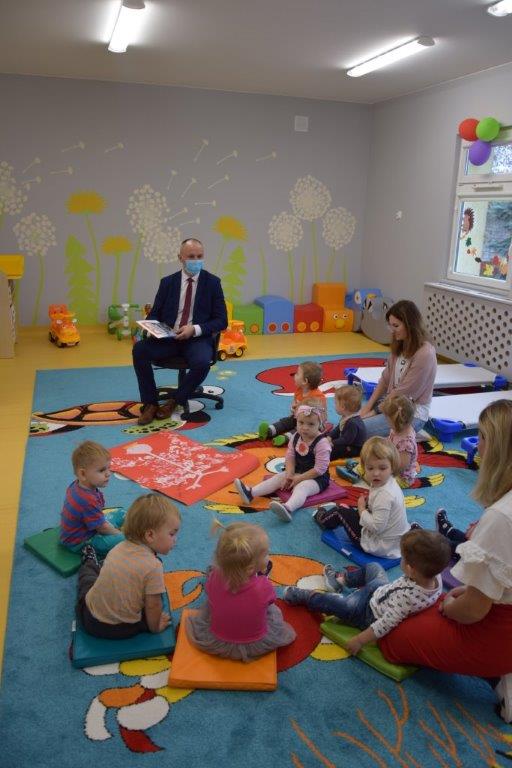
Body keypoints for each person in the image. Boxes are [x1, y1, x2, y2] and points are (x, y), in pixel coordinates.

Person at [379, 399, 512, 724]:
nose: (478, 446)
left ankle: (500, 670)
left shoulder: (501, 517)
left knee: (392, 638)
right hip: (498, 611)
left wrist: (451, 607)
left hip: (499, 631)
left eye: (482, 437)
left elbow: (473, 611)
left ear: (497, 448)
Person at [283, 529, 451, 655]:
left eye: (403, 558)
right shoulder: (435, 577)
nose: (401, 559)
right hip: (382, 590)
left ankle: (305, 596)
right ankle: (342, 580)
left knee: (341, 604)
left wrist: (359, 640)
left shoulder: (407, 598)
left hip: (367, 612)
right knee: (374, 567)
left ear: (410, 569)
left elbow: (385, 624)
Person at [132, 238, 228, 426]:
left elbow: (221, 320)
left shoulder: (213, 283)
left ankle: (175, 400)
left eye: (200, 256)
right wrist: (153, 328)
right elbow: (154, 314)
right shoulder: (168, 282)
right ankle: (150, 403)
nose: (196, 260)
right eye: (191, 256)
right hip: (169, 338)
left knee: (202, 362)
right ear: (180, 258)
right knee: (140, 350)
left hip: (196, 339)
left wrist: (195, 329)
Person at [186, 521, 296, 661]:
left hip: (216, 639)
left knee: (212, 602)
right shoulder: (264, 586)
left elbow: (209, 592)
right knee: (273, 611)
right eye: (266, 554)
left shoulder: (214, 577)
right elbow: (270, 602)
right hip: (254, 643)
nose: (269, 557)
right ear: (250, 568)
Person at [76, 494, 180, 639]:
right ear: (150, 535)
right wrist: (155, 627)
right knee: (152, 605)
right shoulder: (153, 567)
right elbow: (153, 605)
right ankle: (90, 562)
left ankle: (89, 559)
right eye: (172, 534)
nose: (175, 540)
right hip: (120, 629)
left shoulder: (118, 547)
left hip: (89, 619)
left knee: (88, 578)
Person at [314, 437, 410, 558]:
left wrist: (361, 509)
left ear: (393, 467)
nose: (376, 473)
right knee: (352, 511)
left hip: (378, 545)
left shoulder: (385, 495)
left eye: (382, 468)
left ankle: (322, 518)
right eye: (370, 468)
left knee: (340, 511)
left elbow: (376, 527)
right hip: (395, 543)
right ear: (364, 468)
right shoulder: (389, 481)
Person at [235, 402, 331, 522]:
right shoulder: (296, 436)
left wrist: (299, 479)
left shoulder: (322, 443)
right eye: (301, 423)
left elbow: (319, 469)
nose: (305, 427)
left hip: (317, 478)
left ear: (320, 425)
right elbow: (290, 456)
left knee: (302, 487)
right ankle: (250, 493)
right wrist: (289, 475)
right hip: (298, 471)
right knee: (278, 477)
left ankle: (288, 508)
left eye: (311, 424)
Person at [358, 300, 437, 438]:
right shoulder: (400, 344)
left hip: (410, 414)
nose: (392, 330)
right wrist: (367, 407)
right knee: (350, 421)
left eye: (396, 326)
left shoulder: (425, 353)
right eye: (390, 325)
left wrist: (374, 411)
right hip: (391, 404)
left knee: (357, 429)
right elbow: (385, 379)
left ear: (410, 325)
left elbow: (405, 392)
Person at [60, 440, 125, 557]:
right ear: (83, 474)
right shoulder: (86, 499)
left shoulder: (79, 485)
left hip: (91, 528)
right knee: (127, 540)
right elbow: (102, 528)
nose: (108, 473)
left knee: (122, 513)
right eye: (102, 470)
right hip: (81, 542)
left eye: (108, 468)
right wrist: (118, 533)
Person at [339, 393, 418, 488]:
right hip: (390, 463)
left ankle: (359, 475)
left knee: (375, 477)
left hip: (401, 478)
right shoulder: (397, 429)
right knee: (373, 461)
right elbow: (390, 443)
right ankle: (361, 469)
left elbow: (400, 467)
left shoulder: (406, 443)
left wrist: (382, 468)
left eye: (388, 420)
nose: (387, 423)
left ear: (397, 421)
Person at [258, 361, 326, 447]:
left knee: (301, 430)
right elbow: (294, 403)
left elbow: (322, 415)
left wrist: (317, 424)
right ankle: (269, 431)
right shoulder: (299, 390)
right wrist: (293, 408)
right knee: (285, 422)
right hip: (297, 417)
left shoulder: (318, 397)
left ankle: (286, 438)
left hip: (311, 423)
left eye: (297, 374)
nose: (294, 375)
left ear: (305, 381)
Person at [327, 384, 366, 461]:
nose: (334, 406)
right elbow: (338, 428)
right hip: (347, 442)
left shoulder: (352, 422)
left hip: (354, 449)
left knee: (335, 450)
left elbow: (346, 440)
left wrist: (332, 443)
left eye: (336, 403)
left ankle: (325, 459)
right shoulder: (346, 417)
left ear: (343, 407)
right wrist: (330, 436)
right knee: (327, 437)